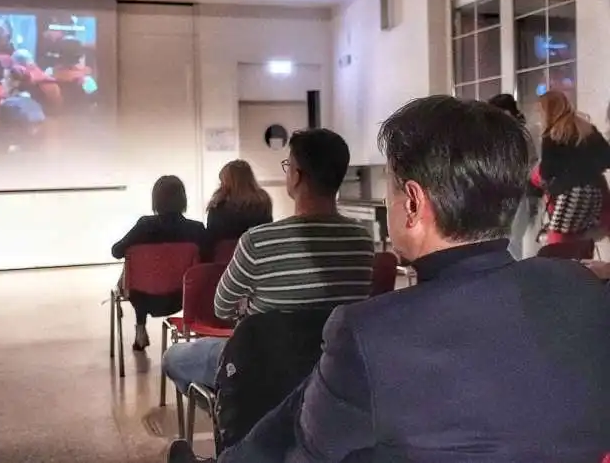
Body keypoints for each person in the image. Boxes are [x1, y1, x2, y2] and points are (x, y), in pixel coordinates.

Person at [167, 96, 610, 463]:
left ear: (413, 203)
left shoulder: (370, 335)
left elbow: (297, 452)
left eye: (392, 188)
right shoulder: (581, 293)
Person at [162, 129, 374, 395]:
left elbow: (221, 307)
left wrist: (250, 304)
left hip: (263, 363)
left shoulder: (258, 241)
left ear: (296, 176)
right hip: (334, 366)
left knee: (174, 357)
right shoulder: (362, 241)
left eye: (288, 166)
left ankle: (229, 407)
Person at [111, 176, 206, 351]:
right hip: (182, 298)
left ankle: (140, 327)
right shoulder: (196, 229)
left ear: (155, 200)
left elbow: (116, 251)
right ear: (183, 199)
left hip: (144, 299)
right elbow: (207, 259)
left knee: (140, 277)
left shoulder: (144, 225)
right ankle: (197, 330)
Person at [536, 90, 610, 244]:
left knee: (559, 244)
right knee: (581, 241)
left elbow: (547, 172)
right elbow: (606, 159)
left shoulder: (553, 134)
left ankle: (561, 268)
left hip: (570, 194)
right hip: (595, 193)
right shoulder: (587, 128)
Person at [486, 93, 535, 259]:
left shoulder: (518, 134)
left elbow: (528, 162)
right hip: (507, 190)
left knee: (513, 239)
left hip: (518, 191)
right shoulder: (508, 133)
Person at [206, 160, 273, 254]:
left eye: (222, 182)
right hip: (258, 255)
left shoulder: (219, 206)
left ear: (228, 182)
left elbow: (212, 240)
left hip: (224, 260)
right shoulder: (262, 202)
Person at [0, 65, 46, 153]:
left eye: (7, 78)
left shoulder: (10, 104)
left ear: (16, 83)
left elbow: (2, 131)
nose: (2, 81)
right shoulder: (34, 101)